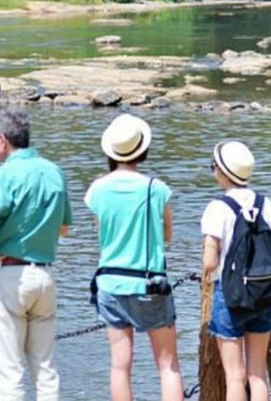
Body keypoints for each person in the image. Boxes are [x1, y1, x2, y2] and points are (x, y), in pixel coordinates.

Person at [0, 109, 72, 401]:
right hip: (44, 275)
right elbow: (64, 228)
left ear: (2, 139)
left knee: (8, 372)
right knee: (45, 369)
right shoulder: (54, 171)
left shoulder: (4, 174)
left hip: (8, 275)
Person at [85, 113, 183, 401]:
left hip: (110, 284)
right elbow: (167, 235)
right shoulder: (156, 188)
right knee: (168, 366)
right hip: (149, 286)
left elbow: (101, 230)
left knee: (120, 366)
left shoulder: (97, 190)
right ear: (143, 150)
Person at [201, 140, 271, 401]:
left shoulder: (218, 208)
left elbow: (210, 261)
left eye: (213, 166)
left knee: (234, 375)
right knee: (257, 374)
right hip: (262, 295)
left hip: (230, 297)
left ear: (223, 172)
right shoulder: (266, 204)